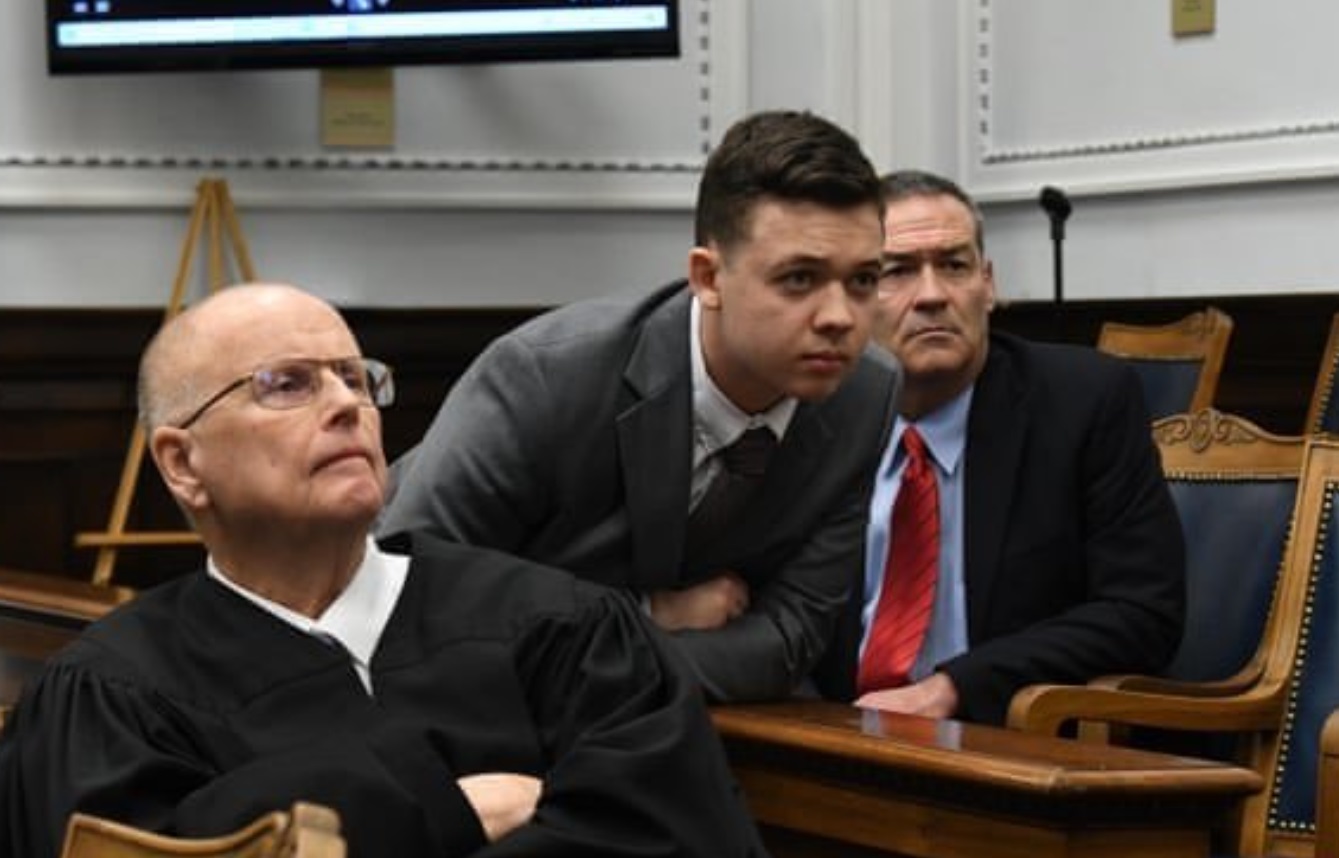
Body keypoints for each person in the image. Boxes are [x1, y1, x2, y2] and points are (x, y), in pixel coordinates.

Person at [0, 283, 768, 858]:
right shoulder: (111, 698)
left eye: (355, 377)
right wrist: (447, 812)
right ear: (182, 463)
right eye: (287, 384)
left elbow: (679, 837)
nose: (346, 405)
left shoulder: (560, 631)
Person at [378, 110, 900, 702]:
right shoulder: (547, 374)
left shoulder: (867, 392)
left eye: (862, 281)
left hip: (660, 710)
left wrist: (616, 651)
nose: (839, 317)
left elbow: (788, 639)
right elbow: (413, 604)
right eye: (799, 279)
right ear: (707, 277)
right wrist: (646, 613)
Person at [812, 170, 1186, 725]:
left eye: (955, 266)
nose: (933, 295)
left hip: (1006, 742)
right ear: (857, 297)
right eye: (899, 271)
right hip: (833, 735)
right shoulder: (816, 416)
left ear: (988, 285)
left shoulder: (1083, 403)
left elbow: (1141, 612)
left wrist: (953, 688)